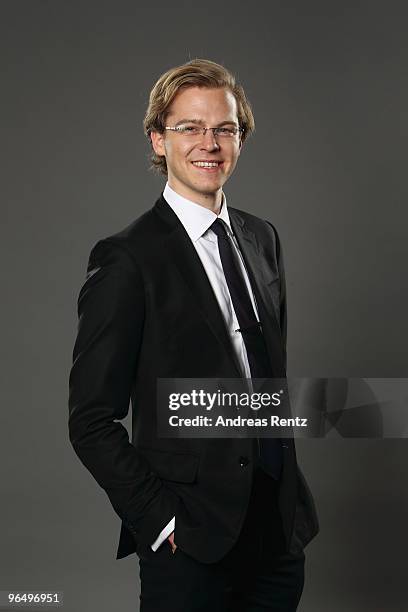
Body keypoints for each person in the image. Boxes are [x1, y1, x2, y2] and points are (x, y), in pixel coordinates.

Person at [68, 58, 319, 611]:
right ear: (159, 141)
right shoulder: (127, 259)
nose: (210, 143)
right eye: (190, 128)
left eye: (224, 129)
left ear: (240, 139)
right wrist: (159, 520)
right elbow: (90, 422)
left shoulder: (262, 237)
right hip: (190, 542)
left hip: (276, 532)